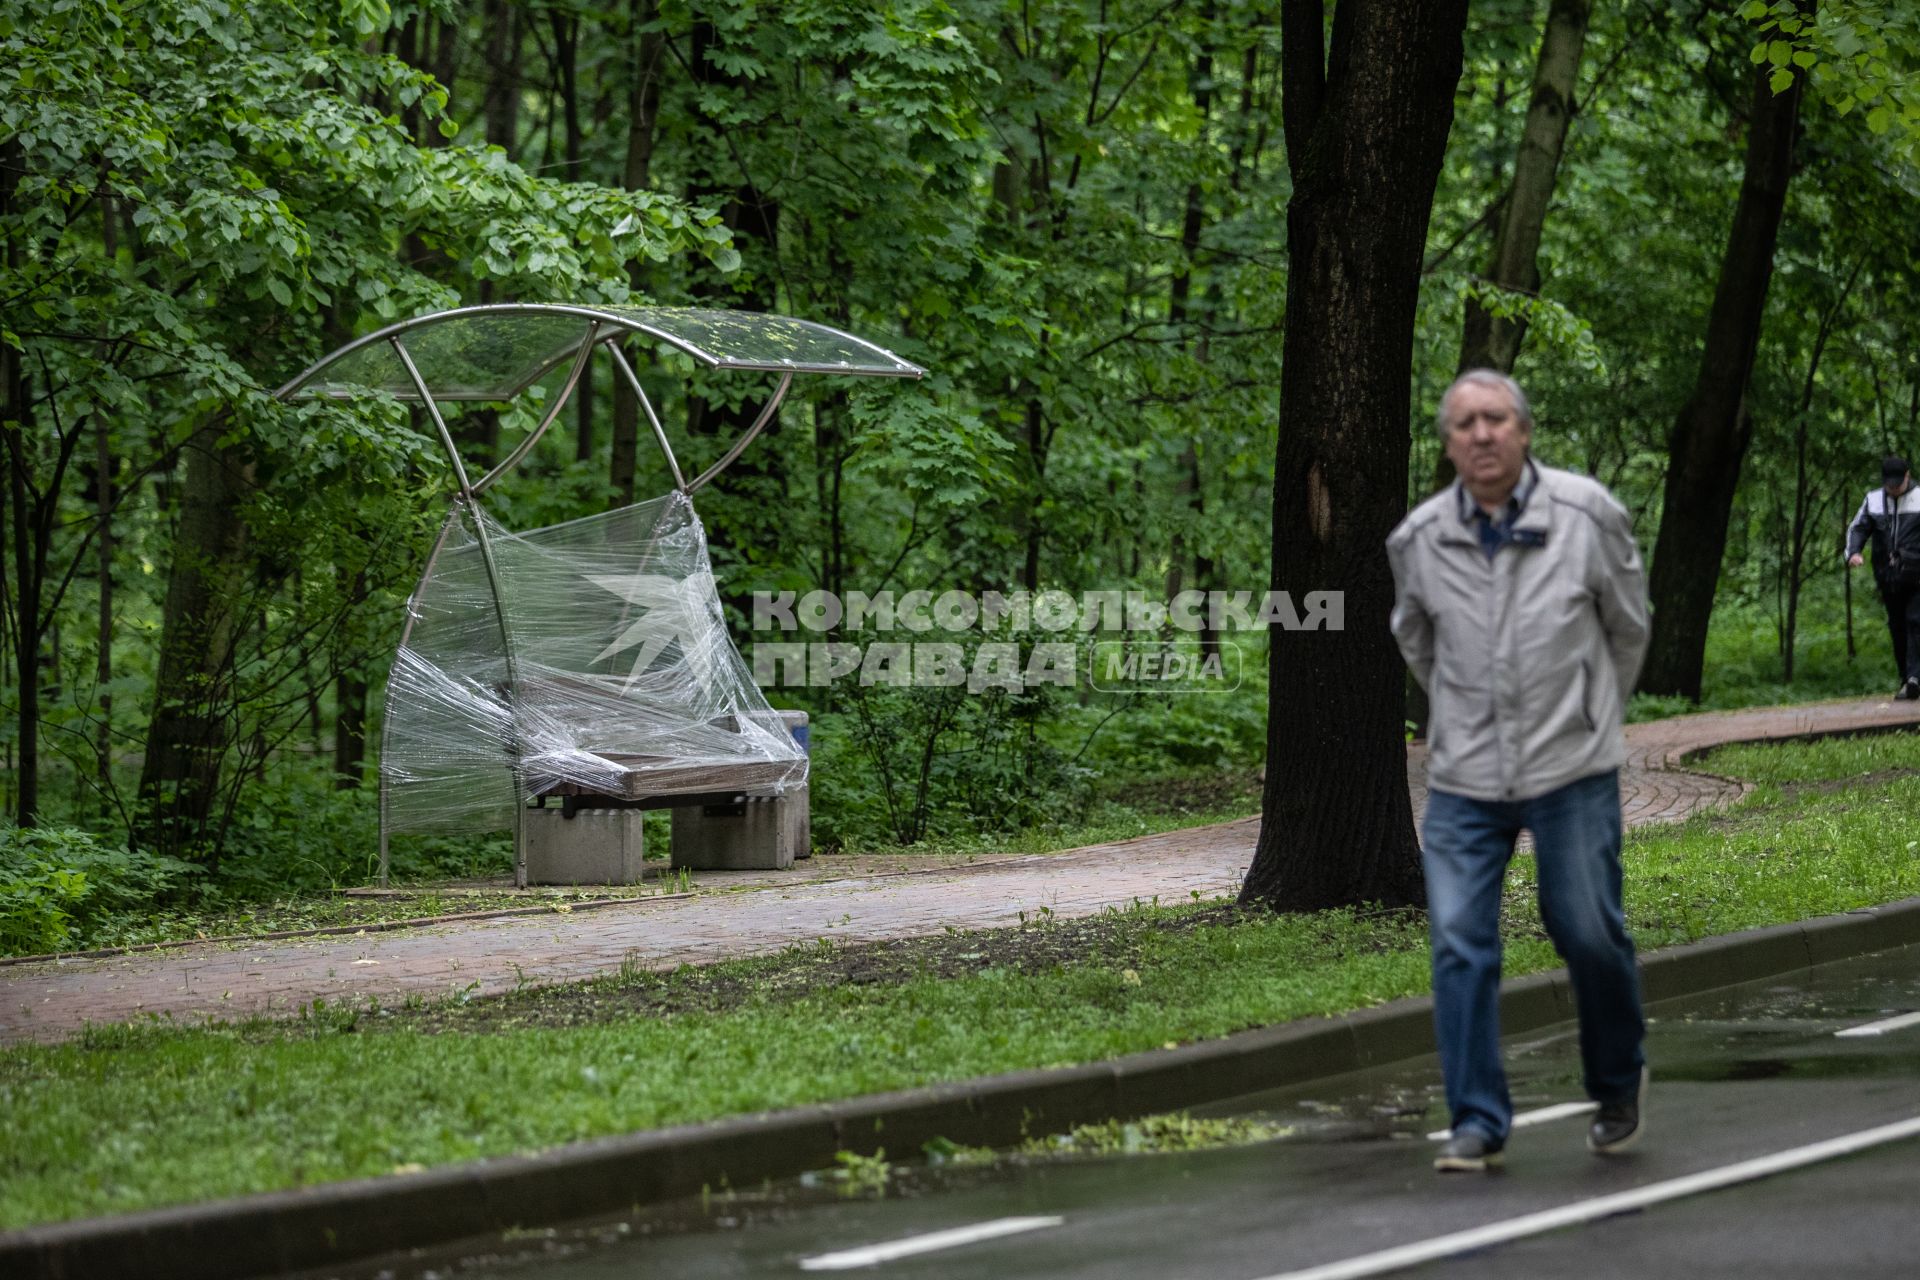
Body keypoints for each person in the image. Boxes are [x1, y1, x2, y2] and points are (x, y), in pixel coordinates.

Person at [1386, 369, 1651, 1173]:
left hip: (1572, 765)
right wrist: (1468, 719)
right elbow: (1418, 642)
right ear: (1448, 443)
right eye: (1463, 424)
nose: (1481, 435)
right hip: (1466, 778)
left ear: (1523, 430)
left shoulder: (1585, 515)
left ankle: (1616, 1082)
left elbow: (1628, 627)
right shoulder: (1419, 540)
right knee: (1460, 942)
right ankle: (1476, 1120)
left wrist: (1588, 712)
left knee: (1587, 929)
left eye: (1495, 419)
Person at [1844, 456, 1920, 700]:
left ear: (1908, 476)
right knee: (1897, 626)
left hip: (1917, 575)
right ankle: (1906, 679)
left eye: (1898, 483)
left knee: (1915, 621)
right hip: (1888, 576)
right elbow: (1858, 527)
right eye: (1890, 484)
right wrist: (1853, 552)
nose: (1894, 488)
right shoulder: (1873, 500)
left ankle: (1914, 677)